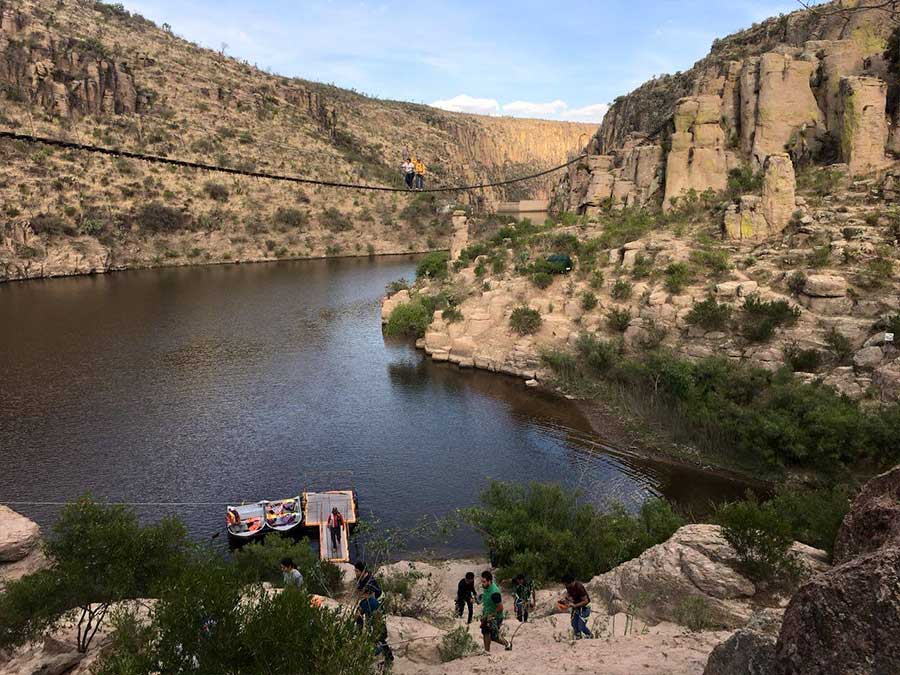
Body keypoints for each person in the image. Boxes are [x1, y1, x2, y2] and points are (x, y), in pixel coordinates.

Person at [356, 584, 394, 665]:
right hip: (375, 625)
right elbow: (359, 612)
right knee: (380, 640)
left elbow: (376, 616)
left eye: (362, 592)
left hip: (376, 625)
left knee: (379, 641)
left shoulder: (372, 603)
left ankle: (386, 657)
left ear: (366, 593)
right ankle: (388, 657)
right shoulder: (366, 602)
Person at [478, 570, 511, 653]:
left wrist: (491, 615)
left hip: (496, 616)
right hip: (487, 615)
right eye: (482, 581)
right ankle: (487, 652)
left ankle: (507, 644)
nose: (482, 583)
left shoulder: (494, 593)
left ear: (489, 581)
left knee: (493, 636)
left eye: (484, 582)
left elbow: (500, 607)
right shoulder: (486, 587)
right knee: (486, 631)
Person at [560, 573, 593, 639]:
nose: (565, 586)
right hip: (576, 607)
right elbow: (570, 595)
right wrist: (565, 600)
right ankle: (578, 638)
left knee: (581, 625)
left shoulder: (579, 587)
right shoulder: (569, 587)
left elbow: (585, 601)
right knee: (574, 624)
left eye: (566, 584)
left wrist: (574, 605)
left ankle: (590, 635)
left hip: (584, 607)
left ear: (571, 582)